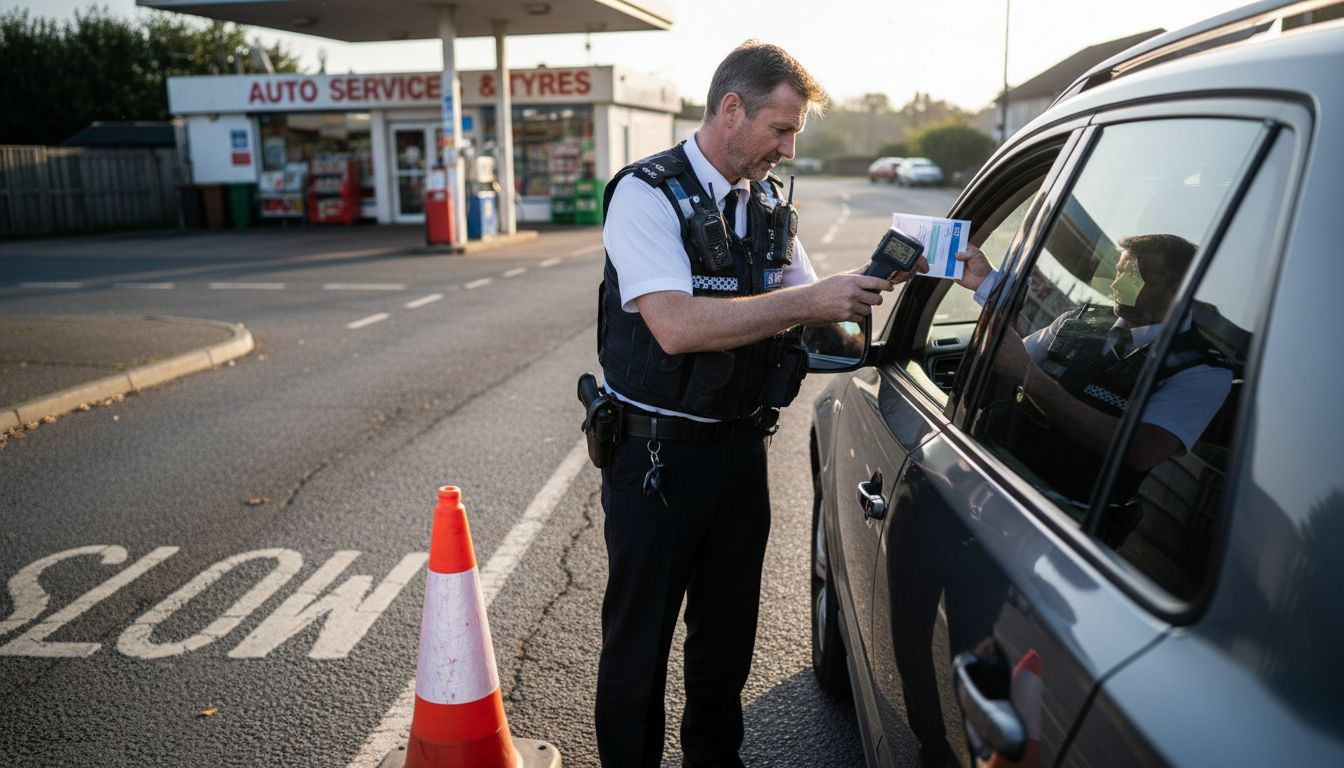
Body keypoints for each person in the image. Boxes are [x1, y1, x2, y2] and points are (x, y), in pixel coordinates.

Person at [593, 41, 925, 767]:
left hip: (742, 452)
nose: (788, 146)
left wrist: (887, 279)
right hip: (657, 459)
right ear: (731, 108)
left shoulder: (768, 204)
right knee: (637, 652)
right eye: (781, 128)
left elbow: (818, 316)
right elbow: (675, 327)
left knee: (727, 644)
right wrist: (809, 296)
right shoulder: (646, 193)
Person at [955, 234, 1232, 536]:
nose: (1116, 286)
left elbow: (1138, 450)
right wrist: (987, 287)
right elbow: (1005, 356)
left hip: (1074, 527)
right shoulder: (1077, 321)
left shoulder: (1203, 369)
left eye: (1135, 278)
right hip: (1003, 483)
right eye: (1119, 273)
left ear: (1178, 290)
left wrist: (1030, 378)